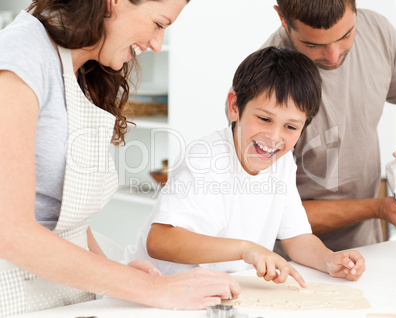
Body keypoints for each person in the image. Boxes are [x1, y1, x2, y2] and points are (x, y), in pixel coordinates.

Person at [0, 0, 240, 316]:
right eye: (159, 23)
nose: (157, 44)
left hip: (62, 295)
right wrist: (152, 289)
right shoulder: (20, 56)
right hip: (16, 297)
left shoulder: (79, 68)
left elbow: (65, 217)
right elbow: (11, 232)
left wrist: (115, 273)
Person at [124, 47, 366, 287]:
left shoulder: (282, 162)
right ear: (235, 107)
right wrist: (246, 249)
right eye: (264, 119)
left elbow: (297, 237)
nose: (274, 137)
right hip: (160, 290)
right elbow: (160, 241)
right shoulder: (205, 160)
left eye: (290, 127)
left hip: (219, 292)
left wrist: (329, 260)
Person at [233, 0, 396, 255]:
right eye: (312, 44)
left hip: (367, 248)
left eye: (346, 35)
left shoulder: (377, 31)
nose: (333, 56)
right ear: (282, 19)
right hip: (286, 262)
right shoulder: (264, 90)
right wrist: (377, 208)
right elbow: (273, 214)